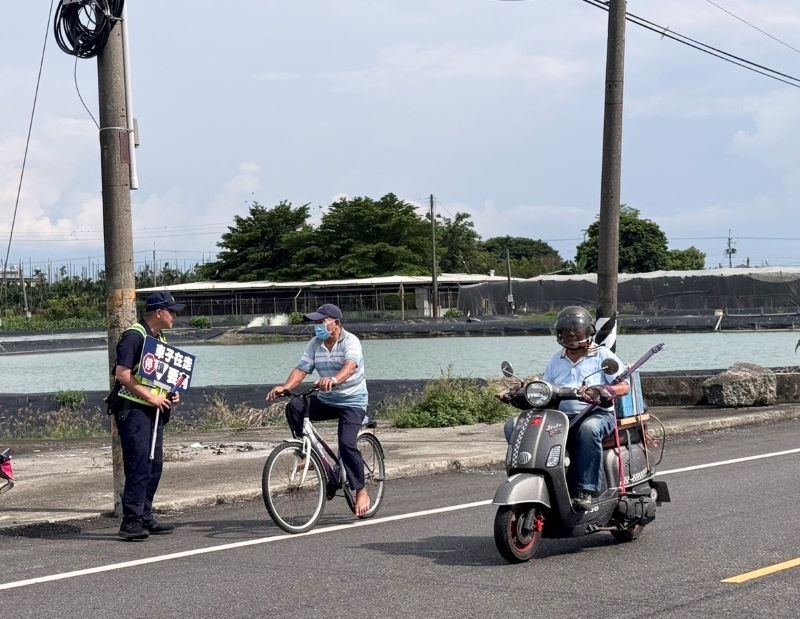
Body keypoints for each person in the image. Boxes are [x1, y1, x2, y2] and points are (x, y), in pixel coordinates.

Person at [266, 303, 371, 517]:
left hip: (352, 401)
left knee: (347, 443)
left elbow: (350, 366)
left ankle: (361, 490)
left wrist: (334, 379)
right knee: (295, 406)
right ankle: (308, 453)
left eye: (321, 322)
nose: (317, 327)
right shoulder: (315, 343)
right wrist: (285, 387)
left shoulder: (351, 341)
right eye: (315, 323)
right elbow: (302, 369)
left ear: (336, 324)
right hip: (327, 400)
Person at [108, 291, 184, 540]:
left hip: (155, 410)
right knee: (139, 464)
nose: (174, 316)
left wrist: (171, 393)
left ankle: (145, 515)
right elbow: (122, 373)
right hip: (134, 410)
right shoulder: (134, 336)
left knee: (154, 465)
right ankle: (130, 521)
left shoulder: (159, 338)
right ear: (158, 312)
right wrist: (150, 397)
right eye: (171, 311)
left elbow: (161, 377)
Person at [543, 306, 629, 510]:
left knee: (588, 430)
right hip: (563, 415)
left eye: (576, 329)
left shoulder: (602, 355)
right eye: (565, 329)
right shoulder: (557, 358)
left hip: (597, 413)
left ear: (588, 331)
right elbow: (547, 385)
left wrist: (606, 390)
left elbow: (625, 386)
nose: (571, 334)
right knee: (517, 426)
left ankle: (586, 489)